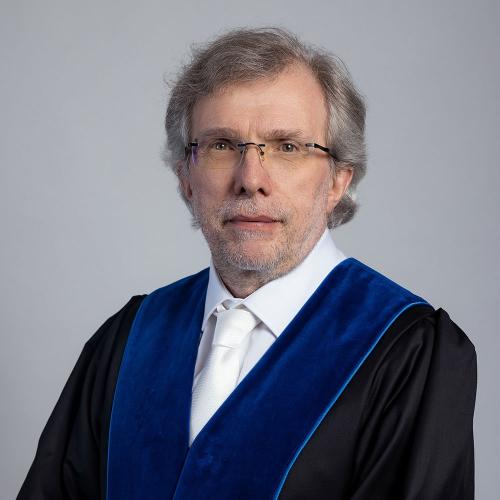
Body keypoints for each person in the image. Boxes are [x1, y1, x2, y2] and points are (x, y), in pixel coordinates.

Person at [18, 27, 476, 500]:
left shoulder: (406, 351)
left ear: (339, 180)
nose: (251, 178)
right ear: (186, 177)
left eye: (288, 147)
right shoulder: (128, 340)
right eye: (222, 145)